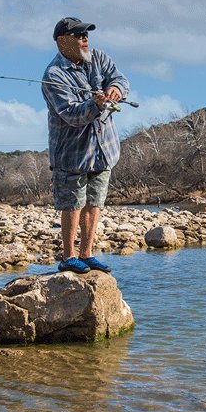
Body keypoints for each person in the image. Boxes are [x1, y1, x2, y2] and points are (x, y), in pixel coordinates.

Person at [42, 17, 128, 273]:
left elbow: (120, 79)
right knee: (72, 205)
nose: (85, 39)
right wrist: (95, 105)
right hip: (71, 155)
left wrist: (116, 89)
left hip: (103, 150)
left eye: (86, 34)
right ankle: (68, 257)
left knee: (94, 202)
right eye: (78, 35)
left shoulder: (99, 57)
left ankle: (87, 254)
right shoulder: (53, 75)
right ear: (62, 41)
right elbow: (71, 114)